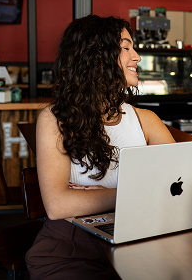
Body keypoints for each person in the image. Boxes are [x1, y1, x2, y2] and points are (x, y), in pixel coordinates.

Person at [25, 15, 175, 279]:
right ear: (96, 55)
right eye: (126, 47)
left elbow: (180, 186)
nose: (137, 57)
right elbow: (58, 205)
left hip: (140, 243)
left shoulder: (146, 121)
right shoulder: (54, 119)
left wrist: (101, 196)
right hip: (72, 248)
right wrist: (128, 194)